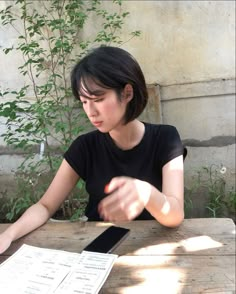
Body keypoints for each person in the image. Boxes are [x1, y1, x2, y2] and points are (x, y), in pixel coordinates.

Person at [0, 46, 187, 254]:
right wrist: (8, 234)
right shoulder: (85, 147)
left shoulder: (165, 138)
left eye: (98, 100)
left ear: (127, 93)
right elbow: (45, 206)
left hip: (153, 250)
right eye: (84, 102)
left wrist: (146, 193)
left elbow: (175, 213)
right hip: (96, 251)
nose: (90, 111)